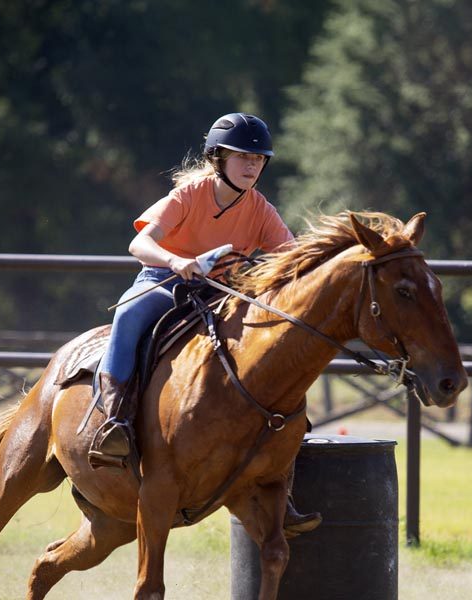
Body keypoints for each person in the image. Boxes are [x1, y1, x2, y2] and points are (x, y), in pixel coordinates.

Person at [88, 112, 321, 535]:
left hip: (222, 292)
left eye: (259, 160)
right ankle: (115, 420)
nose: (252, 166)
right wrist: (177, 260)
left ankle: (278, 471)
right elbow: (138, 243)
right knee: (128, 313)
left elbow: (292, 257)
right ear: (218, 159)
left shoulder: (261, 209)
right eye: (242, 158)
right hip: (165, 279)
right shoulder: (189, 195)